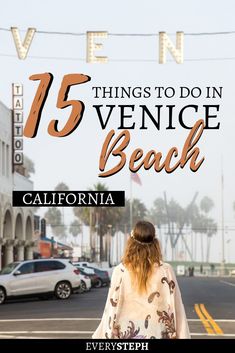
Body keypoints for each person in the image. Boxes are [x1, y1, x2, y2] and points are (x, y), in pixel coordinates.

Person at [92, 221, 190, 339]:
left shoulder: (120, 271)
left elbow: (111, 308)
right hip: (158, 332)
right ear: (155, 243)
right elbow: (177, 308)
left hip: (125, 333)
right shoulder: (165, 270)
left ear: (131, 242)